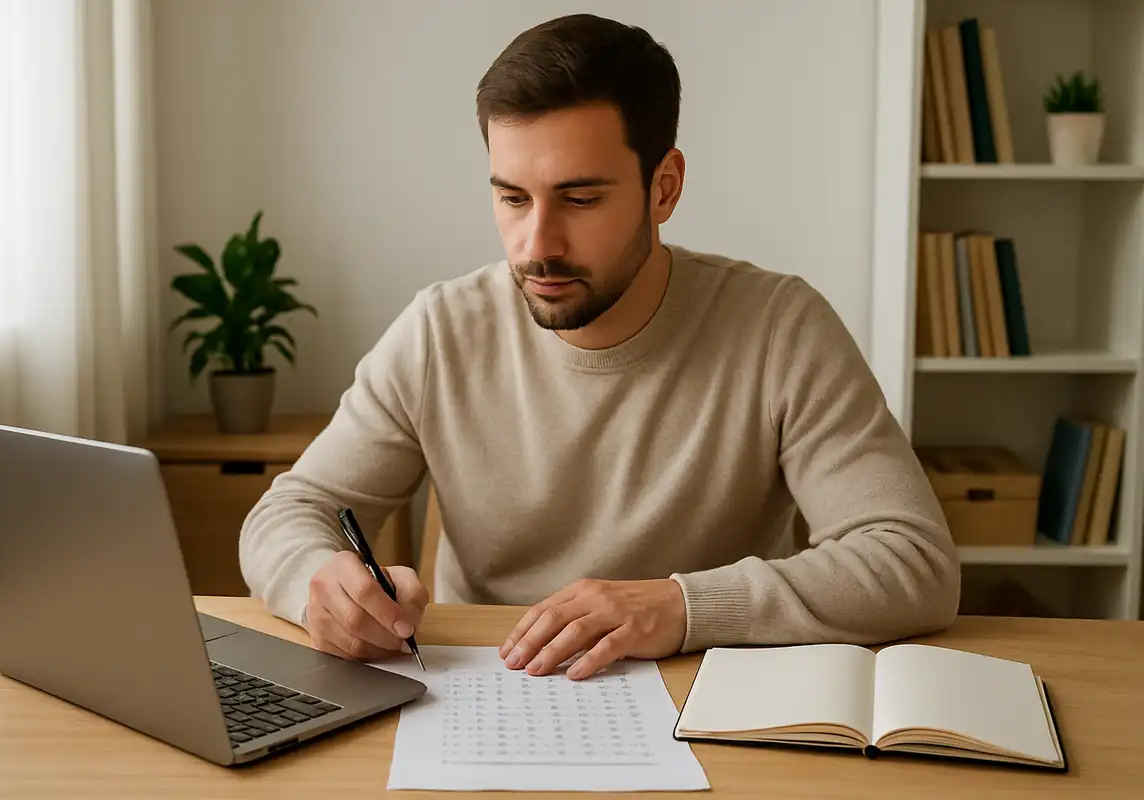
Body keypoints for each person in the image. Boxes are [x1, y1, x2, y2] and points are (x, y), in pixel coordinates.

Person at [239, 12, 960, 682]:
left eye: (580, 200)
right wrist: (317, 588)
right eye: (512, 198)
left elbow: (912, 561)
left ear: (664, 188)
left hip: (709, 703)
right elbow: (288, 512)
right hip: (484, 694)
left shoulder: (780, 328)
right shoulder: (441, 331)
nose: (537, 245)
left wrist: (680, 607)